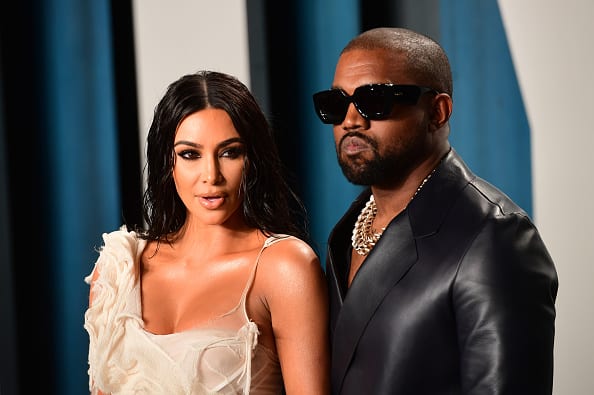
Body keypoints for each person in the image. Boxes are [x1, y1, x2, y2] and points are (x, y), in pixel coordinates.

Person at [312, 27, 558, 394]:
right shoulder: (347, 231)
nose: (351, 120)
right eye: (336, 103)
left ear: (437, 112)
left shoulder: (495, 238)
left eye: (374, 100)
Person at [84, 70, 330, 394]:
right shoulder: (118, 269)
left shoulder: (284, 266)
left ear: (252, 160)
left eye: (230, 152)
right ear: (167, 163)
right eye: (190, 154)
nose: (211, 175)